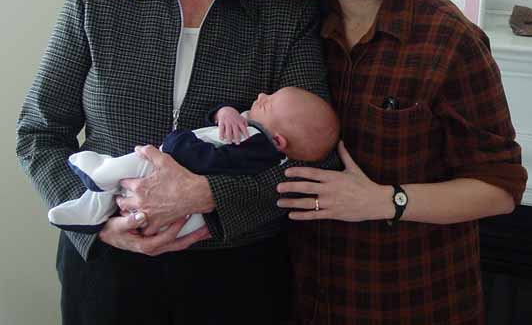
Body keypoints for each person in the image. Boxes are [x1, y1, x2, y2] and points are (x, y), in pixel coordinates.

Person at [105, 0, 528, 324]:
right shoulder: (293, 23)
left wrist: (386, 200)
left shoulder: (446, 37)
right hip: (301, 297)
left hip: (412, 299)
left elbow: (500, 188)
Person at [16, 0, 336, 325]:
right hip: (108, 274)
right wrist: (95, 226)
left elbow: (315, 164)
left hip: (235, 277)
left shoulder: (287, 14)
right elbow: (39, 132)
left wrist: (209, 196)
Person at [48, 87, 339, 236]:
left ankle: (101, 171)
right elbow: (40, 130)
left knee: (139, 162)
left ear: (278, 141)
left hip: (178, 179)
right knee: (120, 189)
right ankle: (90, 213)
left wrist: (178, 144)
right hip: (108, 264)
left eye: (268, 102)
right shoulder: (256, 134)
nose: (262, 94)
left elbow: (215, 158)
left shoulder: (257, 145)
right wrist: (223, 111)